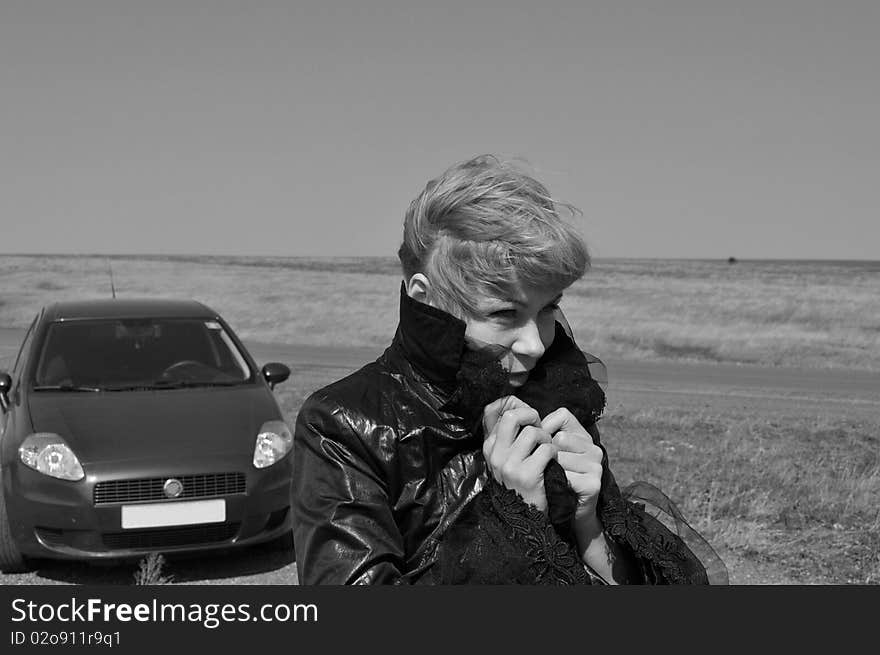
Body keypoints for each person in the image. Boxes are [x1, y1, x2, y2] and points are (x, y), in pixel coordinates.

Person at [291, 155, 727, 585]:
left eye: (548, 308)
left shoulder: (553, 390)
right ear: (425, 298)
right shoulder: (345, 425)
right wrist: (516, 522)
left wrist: (588, 519)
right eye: (503, 314)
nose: (535, 345)